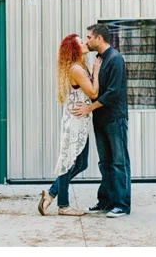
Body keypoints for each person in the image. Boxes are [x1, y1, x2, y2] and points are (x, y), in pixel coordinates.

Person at [72, 23, 131, 218]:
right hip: (100, 119)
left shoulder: (115, 59)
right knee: (104, 163)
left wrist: (89, 107)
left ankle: (121, 205)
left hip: (115, 119)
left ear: (99, 38)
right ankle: (105, 201)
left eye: (89, 37)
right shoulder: (99, 59)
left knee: (119, 163)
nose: (87, 40)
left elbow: (113, 93)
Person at [38, 33, 101, 216]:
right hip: (74, 122)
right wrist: (96, 72)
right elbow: (94, 93)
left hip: (80, 121)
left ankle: (50, 193)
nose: (85, 43)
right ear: (75, 49)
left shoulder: (79, 66)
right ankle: (63, 206)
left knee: (81, 163)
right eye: (81, 42)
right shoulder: (76, 69)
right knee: (69, 162)